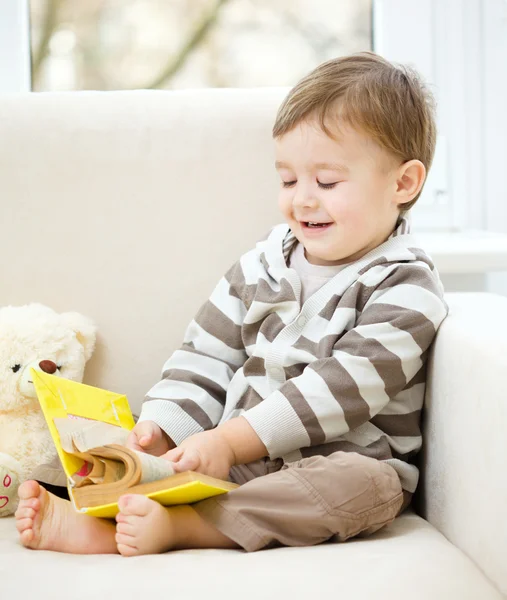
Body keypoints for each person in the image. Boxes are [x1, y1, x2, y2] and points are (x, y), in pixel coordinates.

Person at [15, 52, 449, 556]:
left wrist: (228, 442)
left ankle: (185, 527)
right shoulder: (263, 263)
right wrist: (165, 430)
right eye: (288, 180)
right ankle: (103, 503)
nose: (302, 200)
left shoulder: (406, 285)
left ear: (403, 183)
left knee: (367, 486)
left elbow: (342, 389)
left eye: (327, 183)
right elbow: (205, 357)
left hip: (332, 467)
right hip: (235, 461)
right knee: (123, 446)